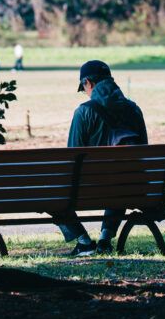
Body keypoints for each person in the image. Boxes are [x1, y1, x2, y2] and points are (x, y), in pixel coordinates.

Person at [54, 60, 147, 256]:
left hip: (88, 191)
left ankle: (84, 241)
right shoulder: (134, 109)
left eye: (83, 88)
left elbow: (73, 158)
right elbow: (143, 154)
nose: (85, 93)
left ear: (88, 82)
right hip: (131, 188)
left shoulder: (84, 112)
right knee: (123, 174)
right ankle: (105, 238)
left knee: (50, 191)